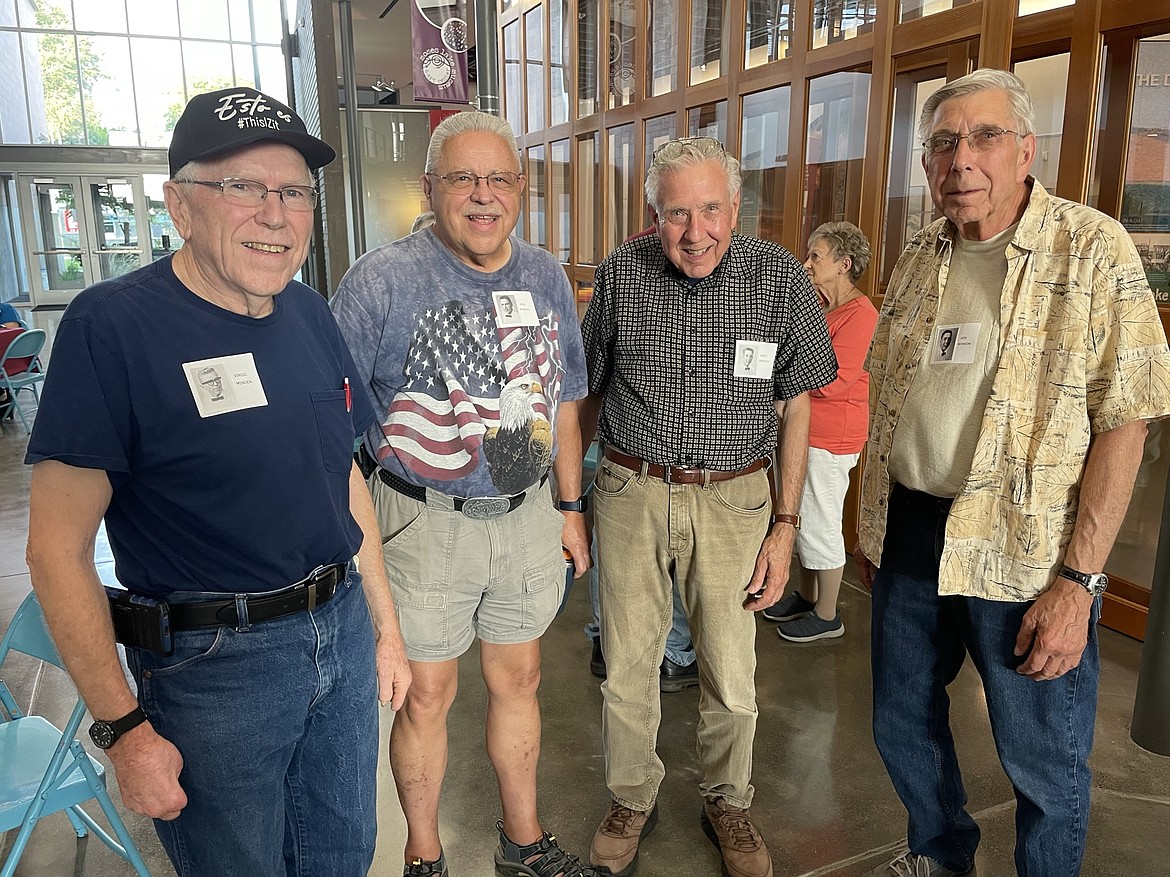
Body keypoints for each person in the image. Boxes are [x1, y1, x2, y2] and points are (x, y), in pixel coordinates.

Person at [23, 86, 411, 877]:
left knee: (344, 853)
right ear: (179, 204)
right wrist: (123, 728)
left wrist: (385, 627)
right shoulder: (112, 327)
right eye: (242, 186)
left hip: (338, 630)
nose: (275, 213)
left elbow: (342, 477)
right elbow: (55, 551)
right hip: (215, 667)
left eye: (295, 191)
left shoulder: (310, 313)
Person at [855, 69, 1170, 877]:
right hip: (917, 532)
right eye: (944, 142)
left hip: (1026, 550)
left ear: (1027, 150)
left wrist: (1081, 580)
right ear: (926, 162)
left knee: (1042, 754)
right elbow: (890, 390)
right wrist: (873, 521)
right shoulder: (922, 253)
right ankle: (939, 853)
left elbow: (1125, 418)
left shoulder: (1092, 248)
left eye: (985, 136)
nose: (963, 159)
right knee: (901, 719)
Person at [331, 111, 596, 877]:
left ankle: (523, 841)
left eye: (499, 179)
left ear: (520, 188)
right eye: (463, 178)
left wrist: (571, 509)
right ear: (430, 187)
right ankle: (424, 853)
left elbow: (566, 402)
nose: (483, 196)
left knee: (522, 678)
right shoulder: (380, 280)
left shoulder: (547, 275)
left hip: (525, 516)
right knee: (427, 695)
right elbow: (330, 422)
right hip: (421, 520)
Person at [580, 137, 837, 877]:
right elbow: (587, 392)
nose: (695, 232)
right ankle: (632, 794)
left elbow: (797, 406)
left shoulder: (780, 278)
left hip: (734, 499)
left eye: (711, 210)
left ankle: (727, 797)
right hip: (631, 489)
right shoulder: (622, 275)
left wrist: (786, 524)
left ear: (737, 205)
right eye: (676, 213)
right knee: (628, 660)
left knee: (730, 665)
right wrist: (570, 499)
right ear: (653, 213)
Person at [764, 221, 878, 642]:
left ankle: (829, 613)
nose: (806, 263)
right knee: (801, 517)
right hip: (805, 431)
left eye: (816, 256)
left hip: (832, 437)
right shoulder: (822, 308)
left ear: (843, 265)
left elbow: (835, 380)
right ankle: (807, 596)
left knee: (821, 522)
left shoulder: (861, 315)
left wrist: (783, 384)